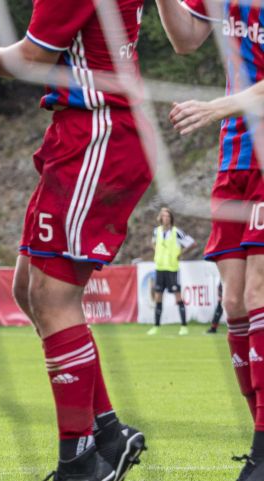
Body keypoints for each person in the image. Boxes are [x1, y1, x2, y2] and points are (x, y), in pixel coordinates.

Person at [0, 2, 149, 480]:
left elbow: (33, 57)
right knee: (28, 288)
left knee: (52, 296)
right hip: (81, 130)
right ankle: (107, 434)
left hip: (99, 130)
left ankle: (79, 461)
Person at [155, 0, 264, 478]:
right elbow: (186, 39)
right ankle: (259, 441)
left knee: (259, 293)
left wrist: (215, 106)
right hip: (235, 157)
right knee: (234, 302)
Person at [148, 207, 197, 336]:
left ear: (171, 218)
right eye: (163, 216)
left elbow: (192, 243)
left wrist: (180, 253)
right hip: (159, 268)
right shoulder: (156, 231)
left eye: (168, 216)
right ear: (160, 218)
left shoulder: (177, 232)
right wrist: (157, 252)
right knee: (158, 296)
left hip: (172, 268)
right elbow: (153, 243)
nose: (166, 218)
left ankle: (184, 326)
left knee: (178, 296)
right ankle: (156, 326)